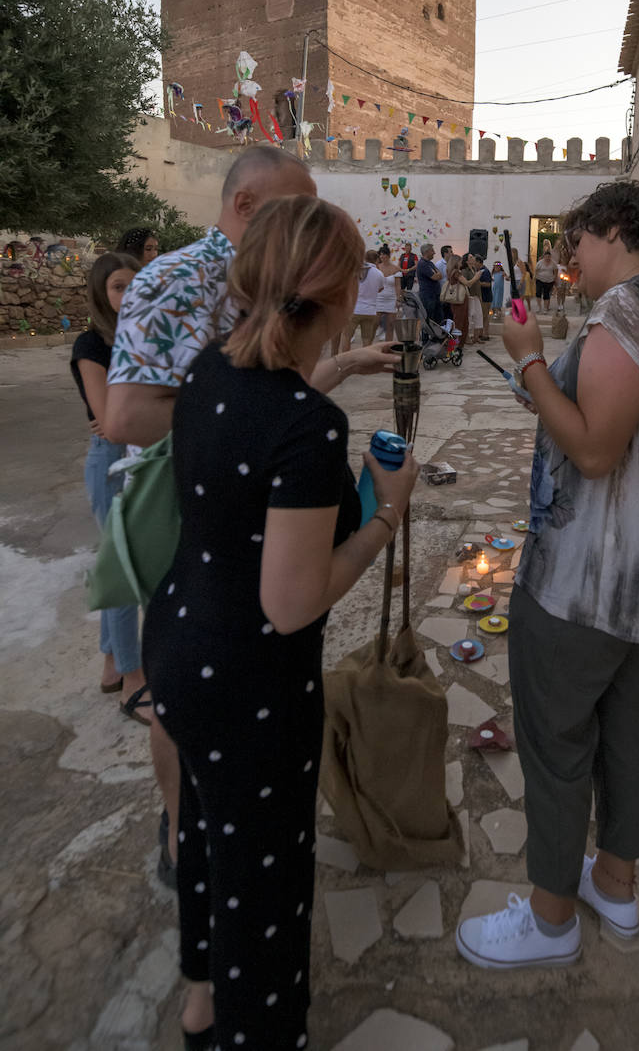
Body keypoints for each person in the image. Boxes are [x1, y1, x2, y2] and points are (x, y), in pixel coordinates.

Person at [143, 194, 420, 1051]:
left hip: (180, 646)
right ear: (339, 296)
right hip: (248, 684)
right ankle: (256, 1031)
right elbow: (293, 600)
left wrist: (335, 373)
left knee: (201, 830)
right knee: (261, 879)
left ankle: (200, 1001)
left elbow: (257, 420)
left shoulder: (207, 375)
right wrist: (384, 516)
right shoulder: (306, 429)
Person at [106, 145, 396, 890]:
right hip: (193, 507)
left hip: (255, 506)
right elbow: (128, 415)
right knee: (194, 694)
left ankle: (213, 857)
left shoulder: (260, 309)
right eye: (290, 212)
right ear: (244, 208)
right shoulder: (171, 281)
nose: (303, 227)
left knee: (232, 675)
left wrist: (327, 377)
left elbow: (275, 385)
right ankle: (184, 837)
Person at [456, 180, 639, 970]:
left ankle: (552, 916)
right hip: (632, 580)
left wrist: (531, 362)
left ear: (610, 230)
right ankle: (616, 887)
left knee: (557, 739)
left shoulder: (627, 311)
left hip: (582, 579)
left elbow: (595, 450)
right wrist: (534, 364)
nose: (573, 263)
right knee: (623, 729)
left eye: (577, 246)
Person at [71, 251, 147, 721]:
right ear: (101, 292)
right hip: (112, 462)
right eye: (119, 287)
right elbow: (112, 423)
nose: (129, 294)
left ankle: (111, 663)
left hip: (146, 454)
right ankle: (133, 682)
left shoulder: (143, 337)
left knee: (120, 561)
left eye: (135, 285)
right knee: (123, 571)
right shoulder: (90, 344)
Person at [342, 249, 384, 350]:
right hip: (370, 311)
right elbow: (380, 289)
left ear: (365, 258)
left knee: (346, 337)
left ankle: (346, 360)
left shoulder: (356, 270)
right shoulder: (379, 273)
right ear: (376, 259)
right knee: (366, 339)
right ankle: (365, 363)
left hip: (355, 309)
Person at [376, 244, 403, 341]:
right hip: (378, 298)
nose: (382, 257)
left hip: (391, 299)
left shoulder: (395, 268)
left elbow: (398, 285)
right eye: (380, 255)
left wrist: (398, 298)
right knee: (374, 324)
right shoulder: (377, 267)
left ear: (388, 255)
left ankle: (388, 347)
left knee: (390, 326)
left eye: (384, 254)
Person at [441, 255, 469, 342]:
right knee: (460, 323)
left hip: (454, 301)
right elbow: (468, 283)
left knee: (457, 321)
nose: (461, 263)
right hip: (460, 301)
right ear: (456, 262)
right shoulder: (457, 272)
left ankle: (454, 343)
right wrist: (477, 277)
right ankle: (455, 344)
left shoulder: (449, 271)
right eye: (460, 261)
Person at [461, 253, 484, 345]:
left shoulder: (474, 269)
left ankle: (476, 337)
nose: (473, 258)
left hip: (476, 296)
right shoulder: (464, 271)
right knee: (470, 316)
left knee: (479, 315)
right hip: (469, 296)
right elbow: (467, 284)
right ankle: (466, 337)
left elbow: (477, 285)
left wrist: (480, 296)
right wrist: (476, 277)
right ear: (466, 261)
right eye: (471, 257)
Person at [416, 243, 442, 323]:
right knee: (429, 320)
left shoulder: (430, 263)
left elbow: (440, 275)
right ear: (426, 252)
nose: (434, 252)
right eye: (432, 250)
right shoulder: (422, 264)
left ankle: (435, 335)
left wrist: (438, 274)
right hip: (428, 297)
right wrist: (437, 274)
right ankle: (426, 335)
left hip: (434, 295)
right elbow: (435, 277)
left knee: (437, 318)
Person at [534, 249, 559, 314]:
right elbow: (536, 270)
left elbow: (556, 270)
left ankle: (545, 308)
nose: (547, 258)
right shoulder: (540, 262)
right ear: (544, 257)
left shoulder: (553, 263)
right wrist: (535, 277)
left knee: (546, 294)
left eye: (548, 257)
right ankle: (539, 307)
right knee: (538, 293)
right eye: (546, 257)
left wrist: (555, 278)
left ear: (550, 257)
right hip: (540, 279)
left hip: (549, 280)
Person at [478, 257, 493, 340]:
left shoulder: (485, 271)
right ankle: (481, 333)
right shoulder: (480, 271)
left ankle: (485, 334)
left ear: (479, 262)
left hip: (486, 297)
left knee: (485, 317)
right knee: (482, 316)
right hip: (483, 297)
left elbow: (488, 284)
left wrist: (478, 282)